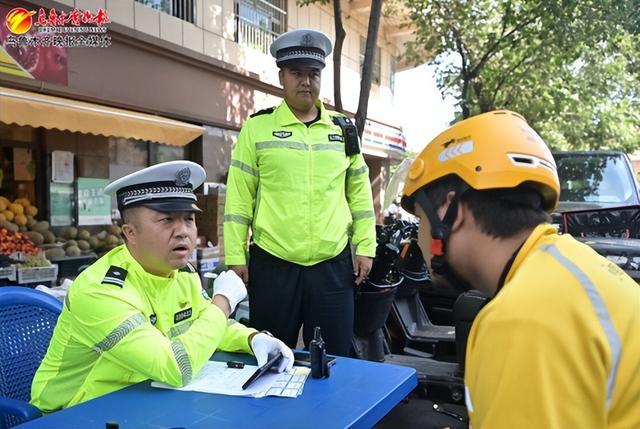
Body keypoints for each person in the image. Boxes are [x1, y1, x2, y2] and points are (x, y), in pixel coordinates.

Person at [400, 110, 640, 428]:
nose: (419, 237)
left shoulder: (522, 319)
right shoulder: (575, 266)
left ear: (449, 210)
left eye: (420, 219)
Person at [31, 161, 293, 413]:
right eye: (167, 220)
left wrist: (252, 338)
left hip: (144, 398)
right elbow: (175, 368)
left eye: (189, 219)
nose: (183, 232)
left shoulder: (181, 274)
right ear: (130, 233)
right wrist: (223, 301)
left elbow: (207, 325)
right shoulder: (100, 290)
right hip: (75, 412)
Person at [224, 29, 376, 356]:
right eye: (296, 73)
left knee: (335, 360)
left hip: (332, 266)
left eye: (313, 74)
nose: (305, 81)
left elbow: (360, 194)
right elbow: (239, 197)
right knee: (269, 356)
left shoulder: (343, 130)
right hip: (273, 265)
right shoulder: (257, 129)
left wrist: (366, 245)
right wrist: (235, 256)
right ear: (282, 77)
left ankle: (334, 410)